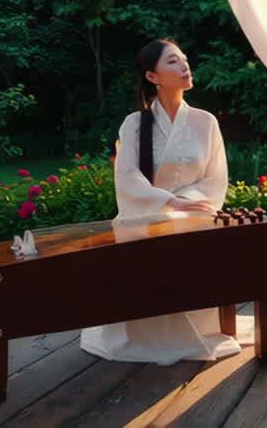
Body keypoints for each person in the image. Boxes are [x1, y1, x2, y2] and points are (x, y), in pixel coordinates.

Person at [79, 39, 243, 365]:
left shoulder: (205, 122)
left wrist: (188, 205)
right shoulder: (135, 124)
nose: (185, 66)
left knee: (194, 233)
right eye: (173, 62)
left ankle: (203, 325)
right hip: (146, 217)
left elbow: (215, 178)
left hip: (195, 216)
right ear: (153, 76)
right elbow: (126, 177)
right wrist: (168, 202)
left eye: (184, 59)